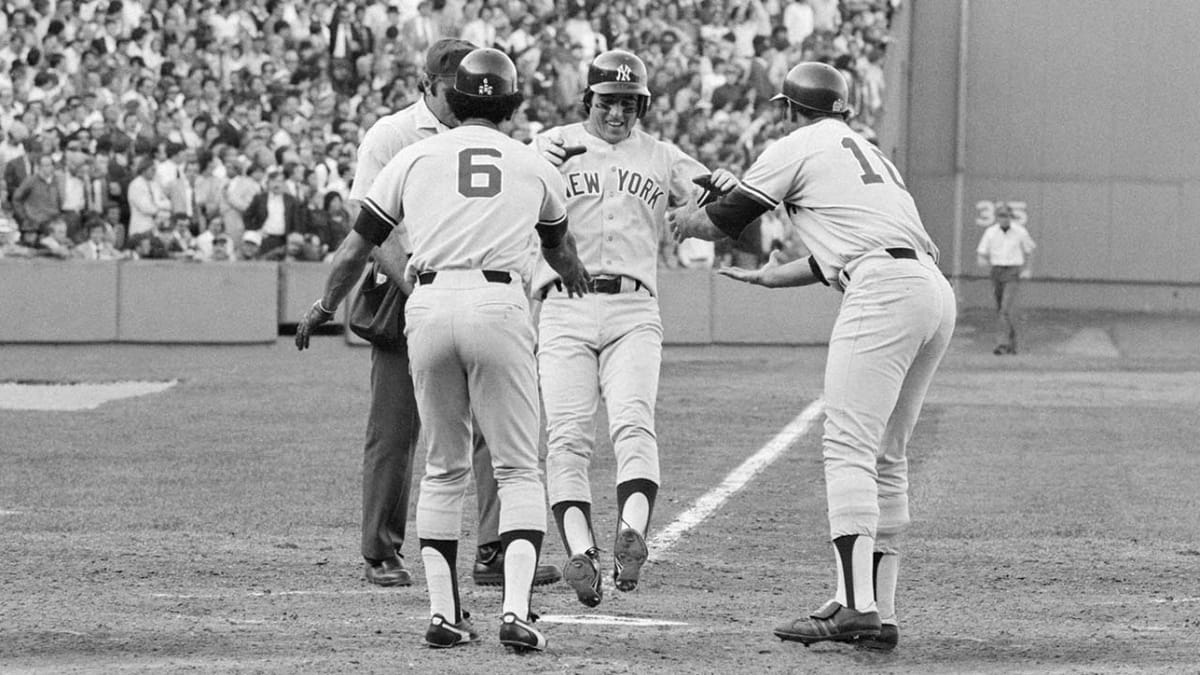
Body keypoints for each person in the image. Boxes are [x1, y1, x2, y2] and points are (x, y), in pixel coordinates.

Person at [296, 48, 589, 653]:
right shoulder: (531, 162)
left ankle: (442, 614)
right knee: (514, 466)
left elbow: (356, 250)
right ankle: (514, 609)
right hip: (499, 303)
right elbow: (559, 249)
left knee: (442, 464)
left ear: (450, 98)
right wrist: (578, 274)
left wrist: (325, 306)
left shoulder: (413, 154)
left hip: (426, 304)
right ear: (511, 104)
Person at [669, 62, 957, 652]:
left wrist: (683, 216)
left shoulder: (797, 143)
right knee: (885, 454)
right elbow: (847, 249)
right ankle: (879, 609)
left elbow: (722, 221)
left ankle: (855, 606)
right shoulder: (869, 153)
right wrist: (774, 278)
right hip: (928, 286)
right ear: (844, 108)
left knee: (847, 445)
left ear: (789, 109)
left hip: (881, 287)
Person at [531, 49, 739, 608]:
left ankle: (631, 535)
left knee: (631, 423)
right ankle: (581, 552)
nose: (618, 113)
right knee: (568, 436)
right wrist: (531, 157)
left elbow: (725, 215)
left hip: (633, 308)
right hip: (564, 303)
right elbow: (508, 197)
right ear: (588, 101)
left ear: (642, 104)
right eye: (607, 102)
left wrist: (724, 187)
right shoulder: (551, 146)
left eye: (629, 103)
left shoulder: (664, 156)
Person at [975, 204, 1035, 355]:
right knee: (1001, 309)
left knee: (1005, 308)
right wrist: (982, 260)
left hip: (1012, 271)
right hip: (996, 271)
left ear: (1011, 217)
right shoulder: (991, 232)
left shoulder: (1019, 232)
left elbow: (1030, 250)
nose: (1004, 219)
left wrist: (1027, 269)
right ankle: (1012, 342)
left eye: (1006, 216)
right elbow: (982, 251)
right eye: (1001, 216)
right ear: (997, 217)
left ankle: (1002, 344)